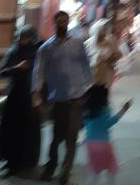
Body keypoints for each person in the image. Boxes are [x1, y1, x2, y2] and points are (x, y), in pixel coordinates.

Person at [32, 10, 92, 185]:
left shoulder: (77, 44)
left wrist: (88, 86)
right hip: (58, 100)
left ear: (68, 22)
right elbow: (39, 71)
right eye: (59, 21)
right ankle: (51, 166)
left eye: (65, 20)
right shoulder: (46, 48)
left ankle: (65, 173)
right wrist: (36, 93)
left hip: (77, 98)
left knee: (72, 138)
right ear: (54, 23)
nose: (62, 23)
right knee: (56, 138)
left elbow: (86, 65)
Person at [0, 25, 41, 178]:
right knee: (12, 130)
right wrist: (17, 68)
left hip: (30, 97)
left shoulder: (36, 53)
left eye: (25, 38)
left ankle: (24, 161)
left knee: (27, 131)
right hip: (15, 97)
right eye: (21, 37)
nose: (22, 40)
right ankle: (11, 162)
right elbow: (2, 72)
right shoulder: (13, 51)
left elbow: (41, 74)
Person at [84, 85, 132, 185]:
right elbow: (110, 122)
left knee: (94, 173)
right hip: (104, 146)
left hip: (90, 146)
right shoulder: (104, 110)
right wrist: (123, 110)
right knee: (110, 170)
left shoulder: (86, 112)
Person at [85, 20, 121, 88]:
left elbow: (118, 55)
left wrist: (112, 59)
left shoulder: (110, 41)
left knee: (104, 90)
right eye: (100, 34)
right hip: (93, 75)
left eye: (104, 32)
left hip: (107, 75)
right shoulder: (88, 44)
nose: (103, 36)